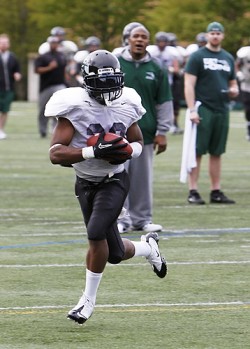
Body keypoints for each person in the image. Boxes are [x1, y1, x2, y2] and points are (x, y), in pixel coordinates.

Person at [44, 49, 167, 324]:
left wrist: (122, 151)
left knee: (95, 231)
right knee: (115, 253)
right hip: (85, 182)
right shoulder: (73, 105)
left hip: (115, 179)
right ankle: (148, 248)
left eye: (113, 84)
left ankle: (87, 301)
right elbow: (55, 154)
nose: (109, 93)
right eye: (102, 85)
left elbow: (137, 142)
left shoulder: (128, 101)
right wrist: (93, 152)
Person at [116, 26, 174, 233]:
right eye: (136, 36)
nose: (140, 40)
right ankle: (121, 220)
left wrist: (163, 131)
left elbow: (164, 101)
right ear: (128, 39)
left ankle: (142, 220)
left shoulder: (156, 67)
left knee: (142, 179)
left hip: (146, 133)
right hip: (117, 132)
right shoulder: (115, 63)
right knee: (118, 178)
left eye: (144, 37)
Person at [184, 21, 239, 205]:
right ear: (207, 35)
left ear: (223, 36)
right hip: (203, 107)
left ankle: (215, 190)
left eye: (218, 33)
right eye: (212, 33)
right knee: (197, 151)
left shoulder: (228, 58)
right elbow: (189, 84)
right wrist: (192, 109)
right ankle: (193, 190)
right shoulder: (198, 56)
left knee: (217, 152)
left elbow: (232, 83)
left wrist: (234, 91)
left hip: (222, 108)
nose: (215, 36)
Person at [35, 36, 67, 138]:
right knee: (43, 110)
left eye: (56, 43)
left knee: (58, 108)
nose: (54, 45)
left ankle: (55, 129)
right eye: (52, 43)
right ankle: (42, 130)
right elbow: (37, 70)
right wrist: (49, 67)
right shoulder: (43, 57)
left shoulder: (61, 56)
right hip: (46, 87)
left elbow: (64, 70)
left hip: (59, 85)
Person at [0, 33, 22, 139]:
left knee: (5, 110)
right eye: (2, 43)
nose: (4, 45)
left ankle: (1, 129)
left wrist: (17, 74)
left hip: (9, 88)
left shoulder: (12, 57)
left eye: (5, 43)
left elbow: (17, 70)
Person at [235, 45, 250, 141]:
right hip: (247, 85)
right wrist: (239, 73)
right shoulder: (245, 52)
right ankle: (249, 128)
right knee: (248, 109)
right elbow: (236, 64)